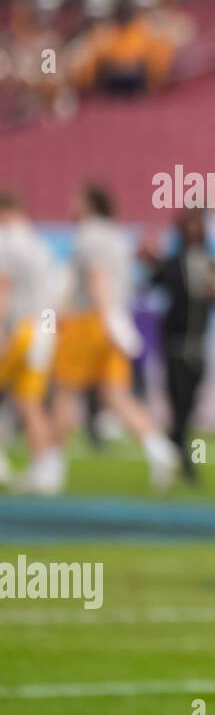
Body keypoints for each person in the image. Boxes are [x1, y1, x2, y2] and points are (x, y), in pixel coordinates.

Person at [50, 184, 178, 492]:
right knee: (116, 395)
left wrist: (92, 317)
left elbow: (96, 280)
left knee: (66, 392)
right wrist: (115, 321)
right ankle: (158, 448)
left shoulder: (89, 235)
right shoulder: (119, 237)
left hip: (88, 319)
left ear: (90, 202)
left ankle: (49, 465)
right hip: (115, 317)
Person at [140, 208, 215, 482]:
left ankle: (172, 453)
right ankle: (183, 462)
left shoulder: (212, 263)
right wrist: (150, 260)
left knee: (188, 406)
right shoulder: (174, 262)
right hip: (174, 343)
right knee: (177, 403)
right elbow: (153, 282)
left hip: (198, 344)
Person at [0, 191, 60, 492]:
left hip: (20, 327)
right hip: (44, 327)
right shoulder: (39, 243)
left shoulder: (5, 240)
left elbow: (3, 287)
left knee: (21, 399)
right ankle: (48, 469)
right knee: (29, 401)